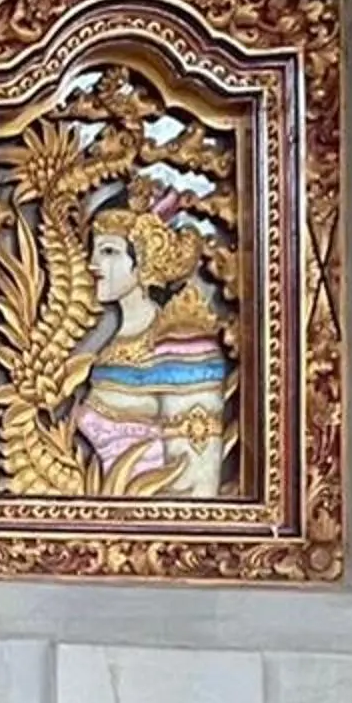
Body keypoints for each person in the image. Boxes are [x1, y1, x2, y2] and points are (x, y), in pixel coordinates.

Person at [71, 205, 233, 497]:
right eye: (94, 251)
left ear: (144, 259)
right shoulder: (109, 346)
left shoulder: (184, 347)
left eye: (108, 252)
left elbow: (197, 480)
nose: (92, 264)